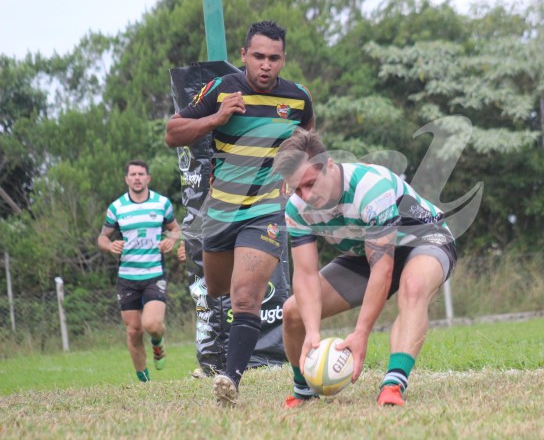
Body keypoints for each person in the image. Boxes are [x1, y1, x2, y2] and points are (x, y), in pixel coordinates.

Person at [165, 20, 314, 406]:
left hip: (265, 211)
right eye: (259, 56)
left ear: (283, 60)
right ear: (244, 55)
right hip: (220, 212)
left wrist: (295, 181)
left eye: (275, 58)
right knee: (218, 291)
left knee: (246, 297)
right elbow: (173, 133)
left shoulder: (298, 99)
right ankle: (218, 345)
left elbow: (308, 143)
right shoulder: (222, 89)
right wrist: (216, 119)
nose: (266, 65)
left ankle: (230, 380)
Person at [272, 128, 457, 407]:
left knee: (413, 287)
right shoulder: (297, 208)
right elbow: (306, 274)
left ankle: (393, 385)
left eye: (310, 183)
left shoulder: (371, 189)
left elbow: (382, 270)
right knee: (293, 311)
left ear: (329, 165)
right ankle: (304, 390)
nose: (305, 195)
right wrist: (312, 331)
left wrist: (361, 334)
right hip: (364, 253)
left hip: (424, 239)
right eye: (296, 188)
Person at [98, 160, 180, 382]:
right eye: (132, 174)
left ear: (148, 178)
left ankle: (157, 342)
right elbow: (102, 237)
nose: (136, 178)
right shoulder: (117, 208)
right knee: (134, 331)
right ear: (126, 179)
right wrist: (109, 245)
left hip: (154, 274)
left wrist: (171, 241)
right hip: (127, 278)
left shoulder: (162, 203)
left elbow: (175, 229)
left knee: (151, 325)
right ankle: (145, 382)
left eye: (140, 174)